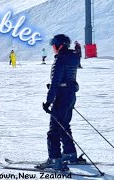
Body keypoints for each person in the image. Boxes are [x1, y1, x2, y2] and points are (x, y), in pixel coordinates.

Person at [40, 34, 80, 171]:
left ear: (60, 45)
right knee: (64, 124)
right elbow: (68, 78)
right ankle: (70, 153)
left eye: (54, 45)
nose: (53, 48)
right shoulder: (73, 57)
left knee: (54, 130)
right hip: (70, 95)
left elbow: (55, 82)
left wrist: (48, 101)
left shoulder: (60, 60)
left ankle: (55, 159)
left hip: (62, 97)